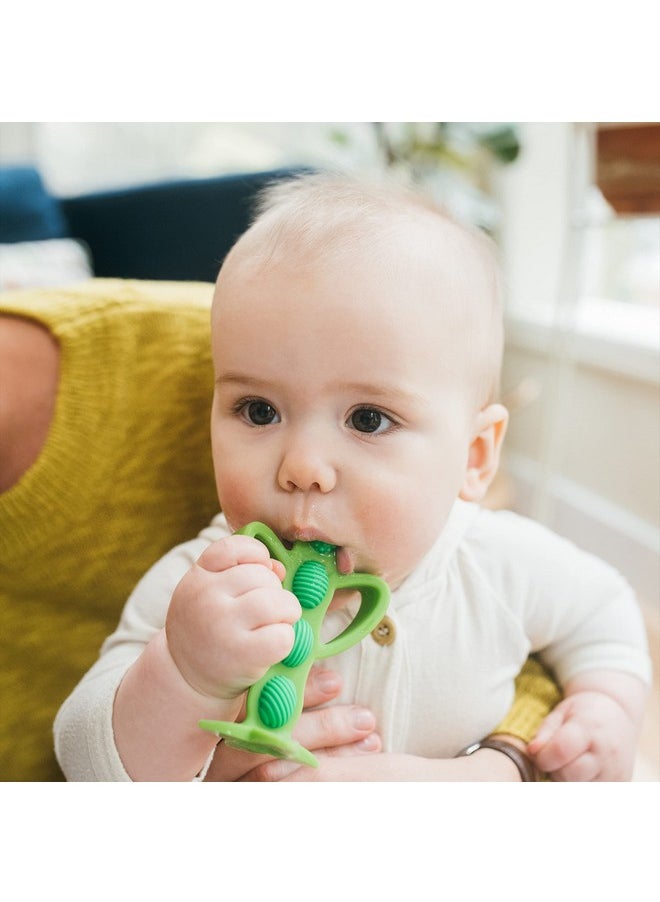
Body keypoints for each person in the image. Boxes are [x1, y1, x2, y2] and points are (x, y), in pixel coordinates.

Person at [53, 173, 651, 781]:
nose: (302, 467)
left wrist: (607, 706)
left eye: (368, 419)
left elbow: (604, 615)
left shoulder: (498, 565)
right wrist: (180, 676)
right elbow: (83, 764)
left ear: (473, 457)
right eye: (259, 410)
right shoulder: (202, 591)